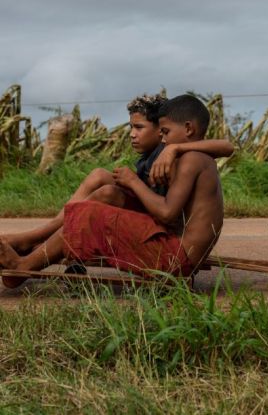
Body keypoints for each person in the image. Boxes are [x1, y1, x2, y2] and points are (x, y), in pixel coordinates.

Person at [0, 94, 226, 288]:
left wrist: (134, 182)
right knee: (99, 198)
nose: (163, 138)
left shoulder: (192, 160)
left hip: (176, 260)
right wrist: (174, 148)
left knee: (91, 213)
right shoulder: (192, 156)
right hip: (178, 254)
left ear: (188, 128)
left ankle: (24, 266)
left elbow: (167, 213)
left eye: (165, 132)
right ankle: (35, 250)